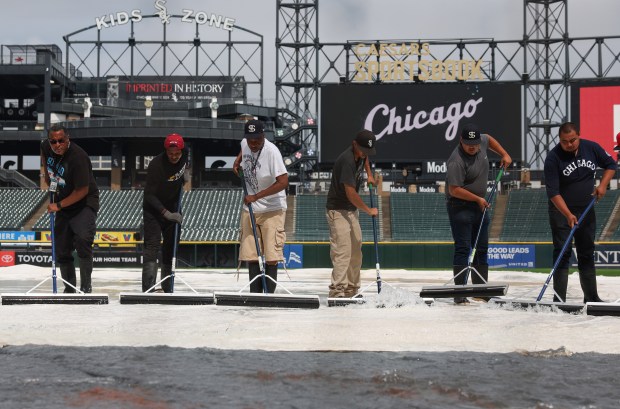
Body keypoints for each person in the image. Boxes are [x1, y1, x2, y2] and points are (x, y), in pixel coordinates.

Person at [544, 122, 616, 303]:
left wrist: (602, 185)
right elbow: (553, 193)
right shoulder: (553, 158)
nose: (569, 144)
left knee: (586, 252)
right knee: (563, 251)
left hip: (586, 210)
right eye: (564, 141)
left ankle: (591, 297)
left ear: (579, 135)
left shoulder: (591, 148)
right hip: (561, 211)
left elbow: (611, 165)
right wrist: (567, 214)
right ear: (559, 140)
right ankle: (559, 298)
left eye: (572, 140)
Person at [445, 123, 512, 304]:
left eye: (475, 143)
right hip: (460, 206)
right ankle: (459, 294)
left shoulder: (481, 141)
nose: (473, 146)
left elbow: (488, 138)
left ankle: (480, 291)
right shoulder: (456, 160)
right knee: (464, 248)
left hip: (479, 205)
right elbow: (454, 190)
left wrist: (504, 154)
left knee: (481, 248)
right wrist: (477, 199)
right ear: (461, 141)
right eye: (468, 144)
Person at [41, 124, 99, 293]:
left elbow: (82, 190)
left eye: (61, 141)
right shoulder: (46, 146)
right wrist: (48, 175)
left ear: (68, 139)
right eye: (53, 141)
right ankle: (70, 288)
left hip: (84, 202)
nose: (57, 145)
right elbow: (45, 158)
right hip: (63, 198)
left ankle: (86, 287)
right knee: (62, 248)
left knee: (82, 240)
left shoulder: (79, 157)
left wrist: (58, 205)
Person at [232, 119, 288, 293]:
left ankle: (269, 294)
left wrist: (256, 196)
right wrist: (237, 161)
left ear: (263, 135)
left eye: (257, 139)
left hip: (272, 208)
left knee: (271, 256)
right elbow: (243, 148)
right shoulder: (245, 143)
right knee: (251, 254)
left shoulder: (272, 152)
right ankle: (255, 294)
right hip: (250, 209)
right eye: (250, 140)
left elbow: (284, 182)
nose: (253, 143)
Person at [325, 129, 378, 298]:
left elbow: (366, 159)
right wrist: (368, 210)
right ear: (354, 144)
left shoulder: (362, 154)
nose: (365, 154)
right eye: (363, 150)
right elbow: (351, 193)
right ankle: (337, 290)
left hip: (351, 210)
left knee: (356, 250)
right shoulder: (347, 160)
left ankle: (352, 289)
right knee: (343, 250)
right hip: (338, 209)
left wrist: (369, 174)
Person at [142, 133, 187, 293]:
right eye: (170, 153)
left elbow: (182, 167)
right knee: (152, 246)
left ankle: (168, 287)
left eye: (177, 153)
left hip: (174, 205)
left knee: (171, 247)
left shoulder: (185, 154)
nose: (174, 156)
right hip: (153, 210)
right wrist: (166, 213)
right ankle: (148, 288)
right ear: (166, 150)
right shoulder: (156, 165)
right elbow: (149, 195)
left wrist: (184, 176)